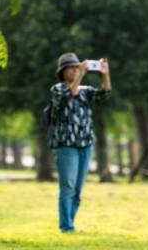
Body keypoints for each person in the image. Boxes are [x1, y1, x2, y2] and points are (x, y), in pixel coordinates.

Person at [49, 52, 112, 233]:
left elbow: (105, 94)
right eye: (72, 68)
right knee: (67, 186)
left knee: (77, 189)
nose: (76, 70)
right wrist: (81, 75)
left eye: (77, 67)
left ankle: (70, 223)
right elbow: (69, 95)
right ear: (63, 71)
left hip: (85, 144)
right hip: (65, 145)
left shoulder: (85, 91)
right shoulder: (57, 89)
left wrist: (105, 74)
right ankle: (66, 227)